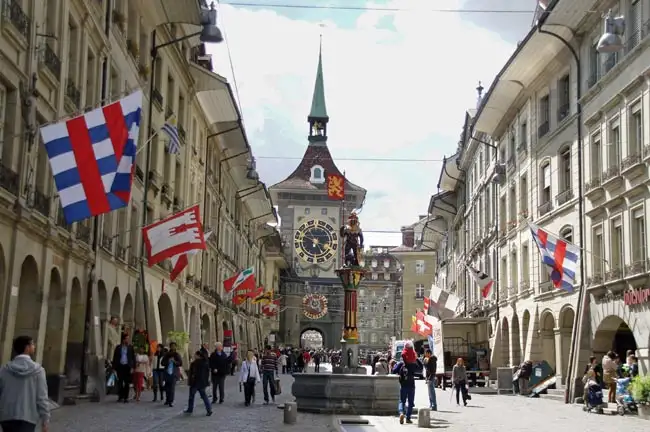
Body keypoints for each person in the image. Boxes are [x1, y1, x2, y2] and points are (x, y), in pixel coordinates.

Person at [0, 336, 50, 432]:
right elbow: (42, 397)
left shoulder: (4, 369)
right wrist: (45, 419)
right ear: (27, 348)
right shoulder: (38, 371)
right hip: (28, 416)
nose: (34, 346)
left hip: (7, 415)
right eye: (32, 344)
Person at [392, 341, 418, 424]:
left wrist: (396, 365)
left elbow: (393, 371)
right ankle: (408, 418)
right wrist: (416, 359)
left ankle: (401, 413)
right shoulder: (413, 364)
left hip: (403, 384)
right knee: (411, 402)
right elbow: (420, 369)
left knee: (401, 401)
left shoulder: (401, 363)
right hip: (411, 385)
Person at [184, 351, 212, 416]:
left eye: (195, 355)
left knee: (191, 396)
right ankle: (209, 409)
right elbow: (207, 374)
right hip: (202, 383)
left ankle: (190, 409)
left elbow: (193, 374)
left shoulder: (195, 363)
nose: (194, 356)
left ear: (198, 355)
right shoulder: (205, 363)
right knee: (204, 396)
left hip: (195, 383)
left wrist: (191, 381)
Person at [111, 333, 136, 403]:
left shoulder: (130, 347)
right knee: (120, 382)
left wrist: (133, 367)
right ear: (123, 339)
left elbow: (133, 358)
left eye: (128, 339)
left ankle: (126, 397)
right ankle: (120, 396)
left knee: (127, 382)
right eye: (126, 339)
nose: (128, 340)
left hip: (127, 366)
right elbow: (115, 357)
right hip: (120, 366)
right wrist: (113, 367)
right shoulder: (118, 347)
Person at [161, 342, 183, 407]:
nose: (173, 347)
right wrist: (167, 361)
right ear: (170, 347)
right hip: (167, 373)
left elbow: (180, 363)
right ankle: (167, 400)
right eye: (172, 346)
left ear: (176, 347)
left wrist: (174, 362)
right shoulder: (166, 354)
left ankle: (171, 401)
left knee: (172, 388)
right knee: (167, 387)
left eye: (174, 346)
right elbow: (162, 363)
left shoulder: (177, 354)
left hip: (174, 373)